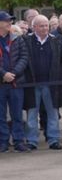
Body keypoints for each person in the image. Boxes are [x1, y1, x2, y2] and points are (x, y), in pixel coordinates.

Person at [24, 15, 62, 150]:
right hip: (32, 83)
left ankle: (53, 140)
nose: (44, 28)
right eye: (41, 25)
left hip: (51, 84)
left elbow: (61, 60)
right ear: (34, 27)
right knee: (32, 114)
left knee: (53, 113)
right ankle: (32, 141)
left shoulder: (56, 41)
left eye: (46, 25)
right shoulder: (26, 40)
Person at [0, 12, 29, 152]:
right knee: (0, 116)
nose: (9, 23)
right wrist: (3, 74)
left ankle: (19, 141)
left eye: (11, 20)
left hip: (15, 82)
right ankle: (3, 142)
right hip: (1, 83)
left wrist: (13, 74)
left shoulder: (17, 39)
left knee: (17, 114)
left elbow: (24, 57)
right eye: (6, 21)